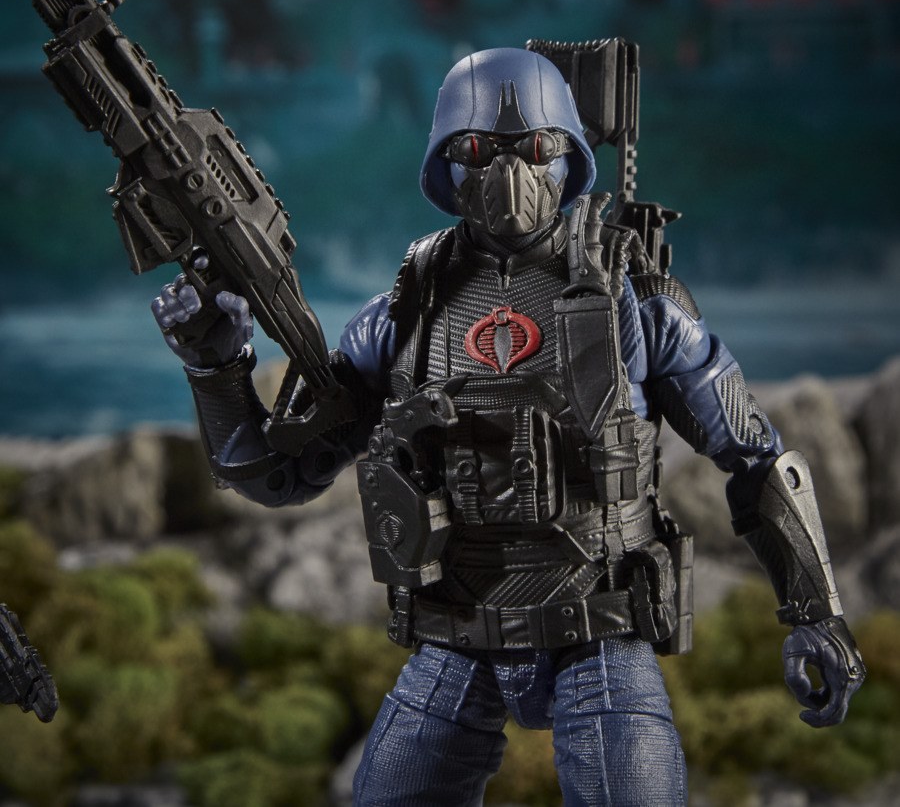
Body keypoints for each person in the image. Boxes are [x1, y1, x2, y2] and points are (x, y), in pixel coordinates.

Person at [153, 48, 864, 806]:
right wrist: (217, 367)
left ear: (569, 157)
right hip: (458, 632)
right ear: (445, 163)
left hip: (600, 626)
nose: (507, 171)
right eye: (476, 149)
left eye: (534, 147)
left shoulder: (634, 296)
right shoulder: (405, 310)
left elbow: (755, 455)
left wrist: (816, 613)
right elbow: (275, 473)